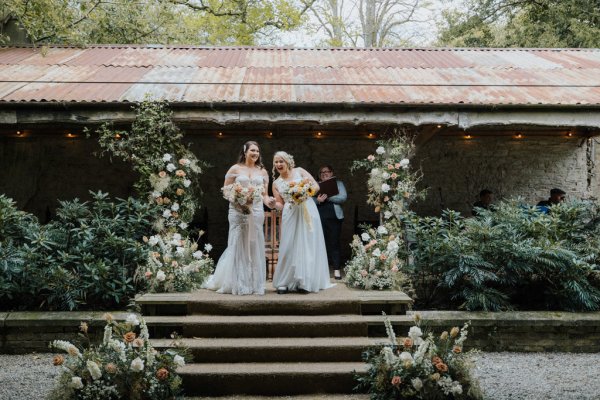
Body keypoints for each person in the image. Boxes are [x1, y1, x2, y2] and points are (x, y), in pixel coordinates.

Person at [203, 141, 275, 295]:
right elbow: (226, 191)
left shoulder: (263, 171)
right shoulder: (235, 169)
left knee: (253, 243)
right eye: (252, 151)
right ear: (245, 151)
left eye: (257, 151)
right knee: (238, 242)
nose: (255, 153)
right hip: (237, 211)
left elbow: (265, 195)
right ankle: (236, 282)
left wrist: (270, 202)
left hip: (256, 211)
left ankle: (253, 283)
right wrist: (239, 200)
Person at [271, 151, 335, 294]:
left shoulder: (299, 171)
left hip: (307, 209)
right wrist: (273, 204)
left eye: (281, 161)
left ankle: (304, 281)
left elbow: (316, 186)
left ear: (288, 161)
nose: (278, 164)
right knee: (288, 245)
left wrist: (303, 193)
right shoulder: (276, 183)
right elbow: (280, 204)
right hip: (290, 212)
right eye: (276, 162)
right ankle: (284, 282)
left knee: (307, 244)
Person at [315, 165, 347, 280]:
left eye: (327, 172)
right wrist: (318, 200)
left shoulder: (338, 184)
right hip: (319, 217)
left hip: (334, 218)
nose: (324, 174)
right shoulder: (315, 185)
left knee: (334, 243)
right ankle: (320, 271)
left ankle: (337, 270)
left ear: (331, 172)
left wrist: (328, 197)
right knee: (319, 244)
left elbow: (343, 197)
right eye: (321, 172)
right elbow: (309, 199)